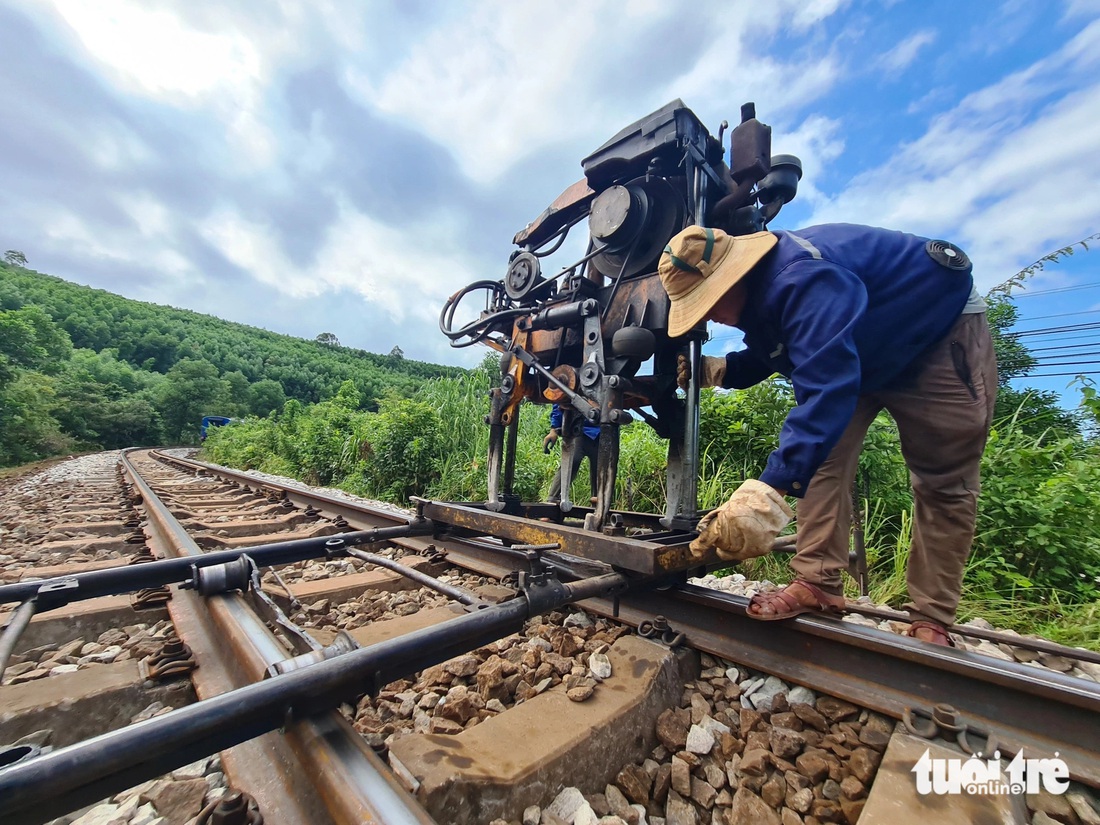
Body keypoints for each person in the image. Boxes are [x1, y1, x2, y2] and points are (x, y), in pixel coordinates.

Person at [658, 223, 997, 646]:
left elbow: (825, 382)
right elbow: (795, 341)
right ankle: (817, 583)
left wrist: (765, 497)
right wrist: (726, 370)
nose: (706, 315)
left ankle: (932, 617)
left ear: (733, 278)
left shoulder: (804, 277)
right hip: (857, 351)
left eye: (706, 304)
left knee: (943, 481)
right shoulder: (769, 289)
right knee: (819, 461)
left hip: (934, 332)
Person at [544, 404, 601, 504]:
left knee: (601, 470)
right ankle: (552, 502)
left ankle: (599, 508)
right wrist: (553, 430)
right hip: (580, 428)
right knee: (572, 461)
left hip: (604, 431)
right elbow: (560, 398)